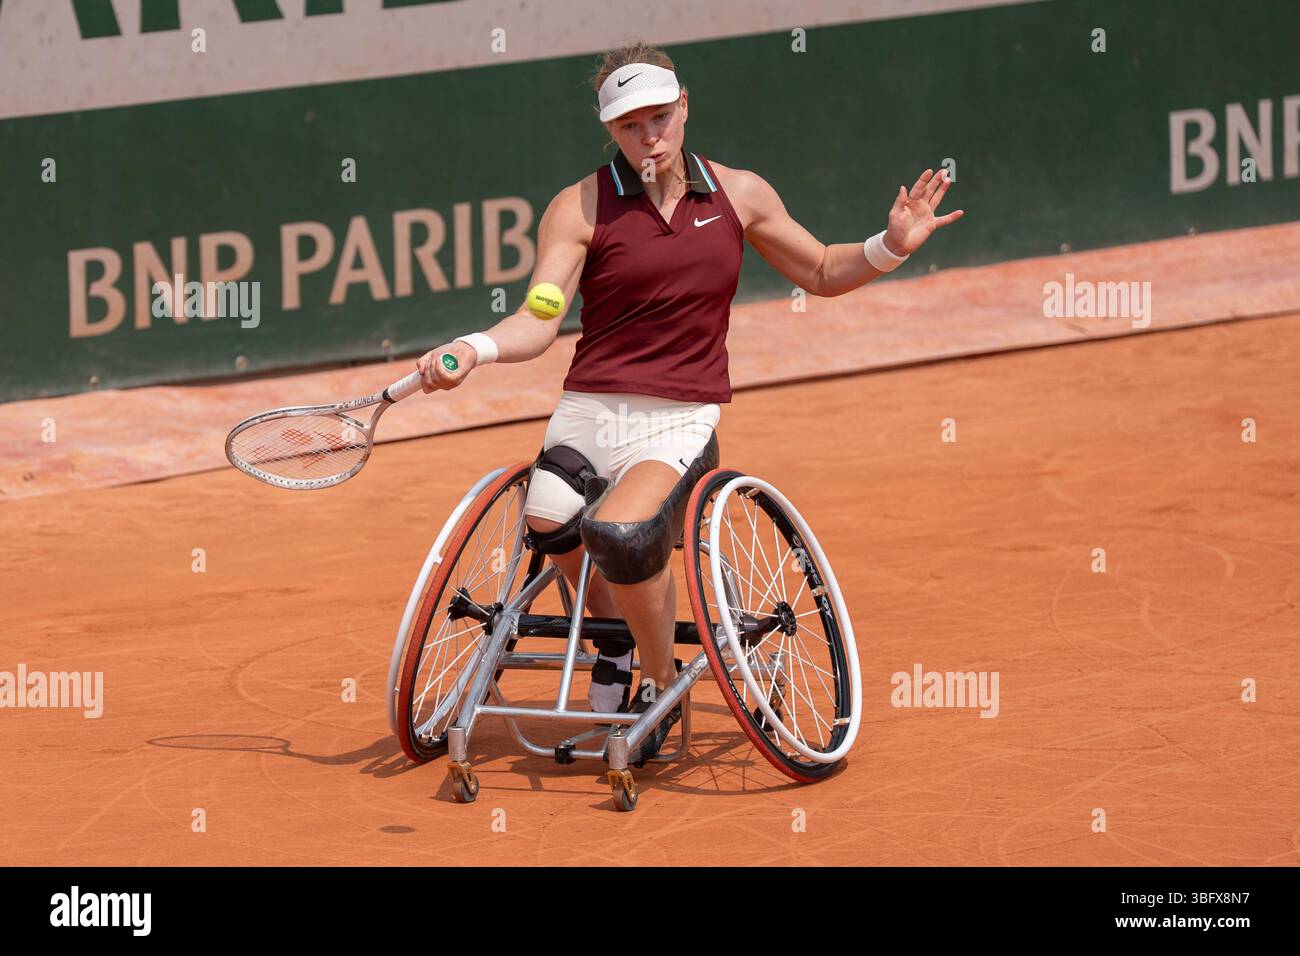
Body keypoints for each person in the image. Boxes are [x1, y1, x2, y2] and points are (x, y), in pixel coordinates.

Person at [415, 41, 962, 764]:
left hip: (677, 419)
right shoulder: (577, 207)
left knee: (622, 533)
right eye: (629, 125)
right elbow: (540, 318)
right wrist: (472, 348)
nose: (649, 135)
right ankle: (612, 648)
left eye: (659, 117)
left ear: (683, 108)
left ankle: (659, 677)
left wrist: (890, 246)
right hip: (587, 410)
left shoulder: (740, 194)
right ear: (610, 130)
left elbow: (824, 269)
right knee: (548, 514)